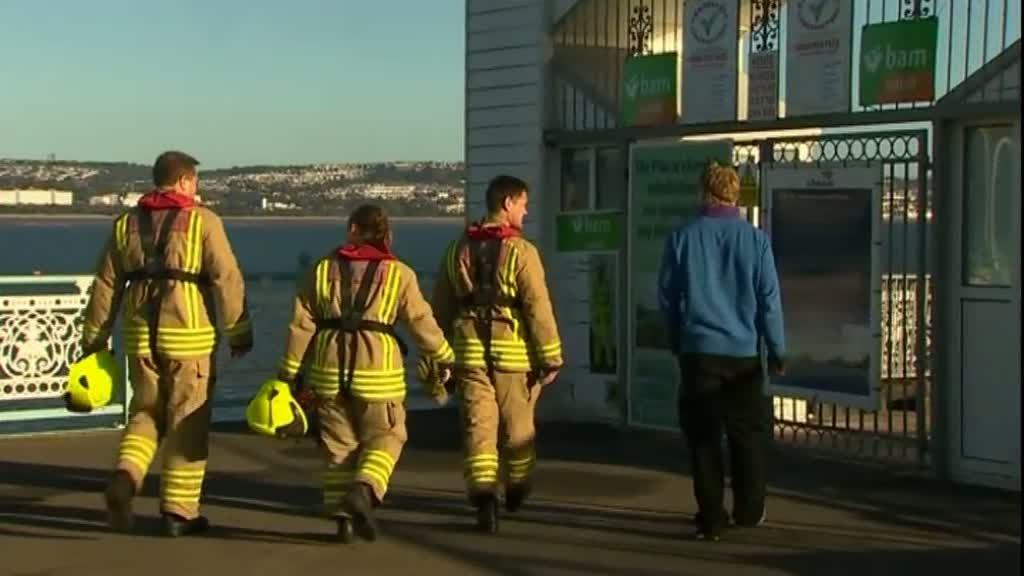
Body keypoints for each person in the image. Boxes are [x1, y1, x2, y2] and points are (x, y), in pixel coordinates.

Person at [80, 150, 253, 537]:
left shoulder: (125, 224)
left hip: (140, 336)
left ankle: (126, 477)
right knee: (187, 422)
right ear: (184, 181)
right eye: (195, 182)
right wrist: (238, 331)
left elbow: (106, 285)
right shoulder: (203, 221)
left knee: (146, 414)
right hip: (189, 337)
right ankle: (179, 512)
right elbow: (226, 278)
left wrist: (94, 338)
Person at [273, 204, 454, 542]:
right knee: (387, 437)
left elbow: (300, 325)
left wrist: (288, 373)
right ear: (387, 234)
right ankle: (365, 489)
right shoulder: (399, 274)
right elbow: (421, 323)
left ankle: (343, 521)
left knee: (338, 446)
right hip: (378, 373)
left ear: (353, 229)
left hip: (327, 369)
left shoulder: (321, 270)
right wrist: (445, 356)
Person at [657, 161, 785, 542]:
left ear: (704, 192)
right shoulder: (756, 240)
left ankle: (711, 517)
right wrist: (777, 349)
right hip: (744, 354)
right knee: (746, 434)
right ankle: (749, 510)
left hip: (698, 351)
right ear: (734, 194)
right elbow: (769, 302)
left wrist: (677, 338)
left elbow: (666, 298)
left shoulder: (681, 238)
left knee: (703, 437)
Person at [431, 175, 563, 534]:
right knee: (518, 430)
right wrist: (551, 357)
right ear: (507, 204)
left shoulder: (456, 249)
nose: (526, 210)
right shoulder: (522, 252)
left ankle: (484, 498)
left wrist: (438, 356)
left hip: (470, 354)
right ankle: (517, 488)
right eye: (523, 203)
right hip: (513, 359)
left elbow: (440, 307)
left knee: (479, 428)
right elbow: (538, 307)